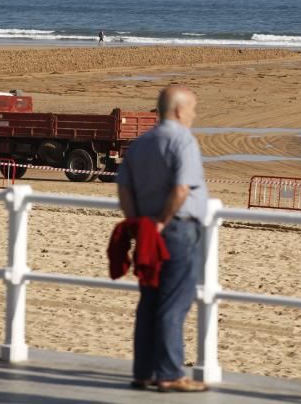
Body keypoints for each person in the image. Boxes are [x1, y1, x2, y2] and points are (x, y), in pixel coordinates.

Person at [117, 85, 209, 393]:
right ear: (180, 111)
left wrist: (137, 224)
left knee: (149, 302)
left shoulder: (140, 144)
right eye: (193, 110)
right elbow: (182, 190)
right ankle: (169, 373)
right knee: (174, 304)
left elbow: (125, 189)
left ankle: (143, 372)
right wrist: (160, 223)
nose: (194, 116)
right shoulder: (184, 141)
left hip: (146, 231)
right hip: (178, 231)